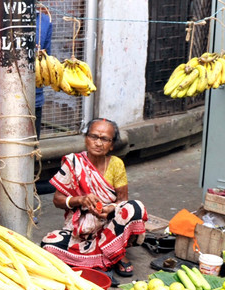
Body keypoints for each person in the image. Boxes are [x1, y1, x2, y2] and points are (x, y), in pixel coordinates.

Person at [0, 0, 53, 221]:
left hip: (35, 100)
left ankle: (23, 208)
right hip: (4, 101)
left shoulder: (45, 22)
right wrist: (19, 55)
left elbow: (47, 66)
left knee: (28, 154)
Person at [40, 118, 147, 278]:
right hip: (81, 230)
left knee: (135, 207)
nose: (98, 143)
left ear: (111, 145)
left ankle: (113, 253)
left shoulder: (116, 164)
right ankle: (111, 255)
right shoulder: (73, 162)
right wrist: (80, 200)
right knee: (48, 244)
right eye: (94, 137)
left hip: (110, 226)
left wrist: (111, 209)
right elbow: (58, 200)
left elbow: (122, 201)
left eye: (104, 139)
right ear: (86, 139)